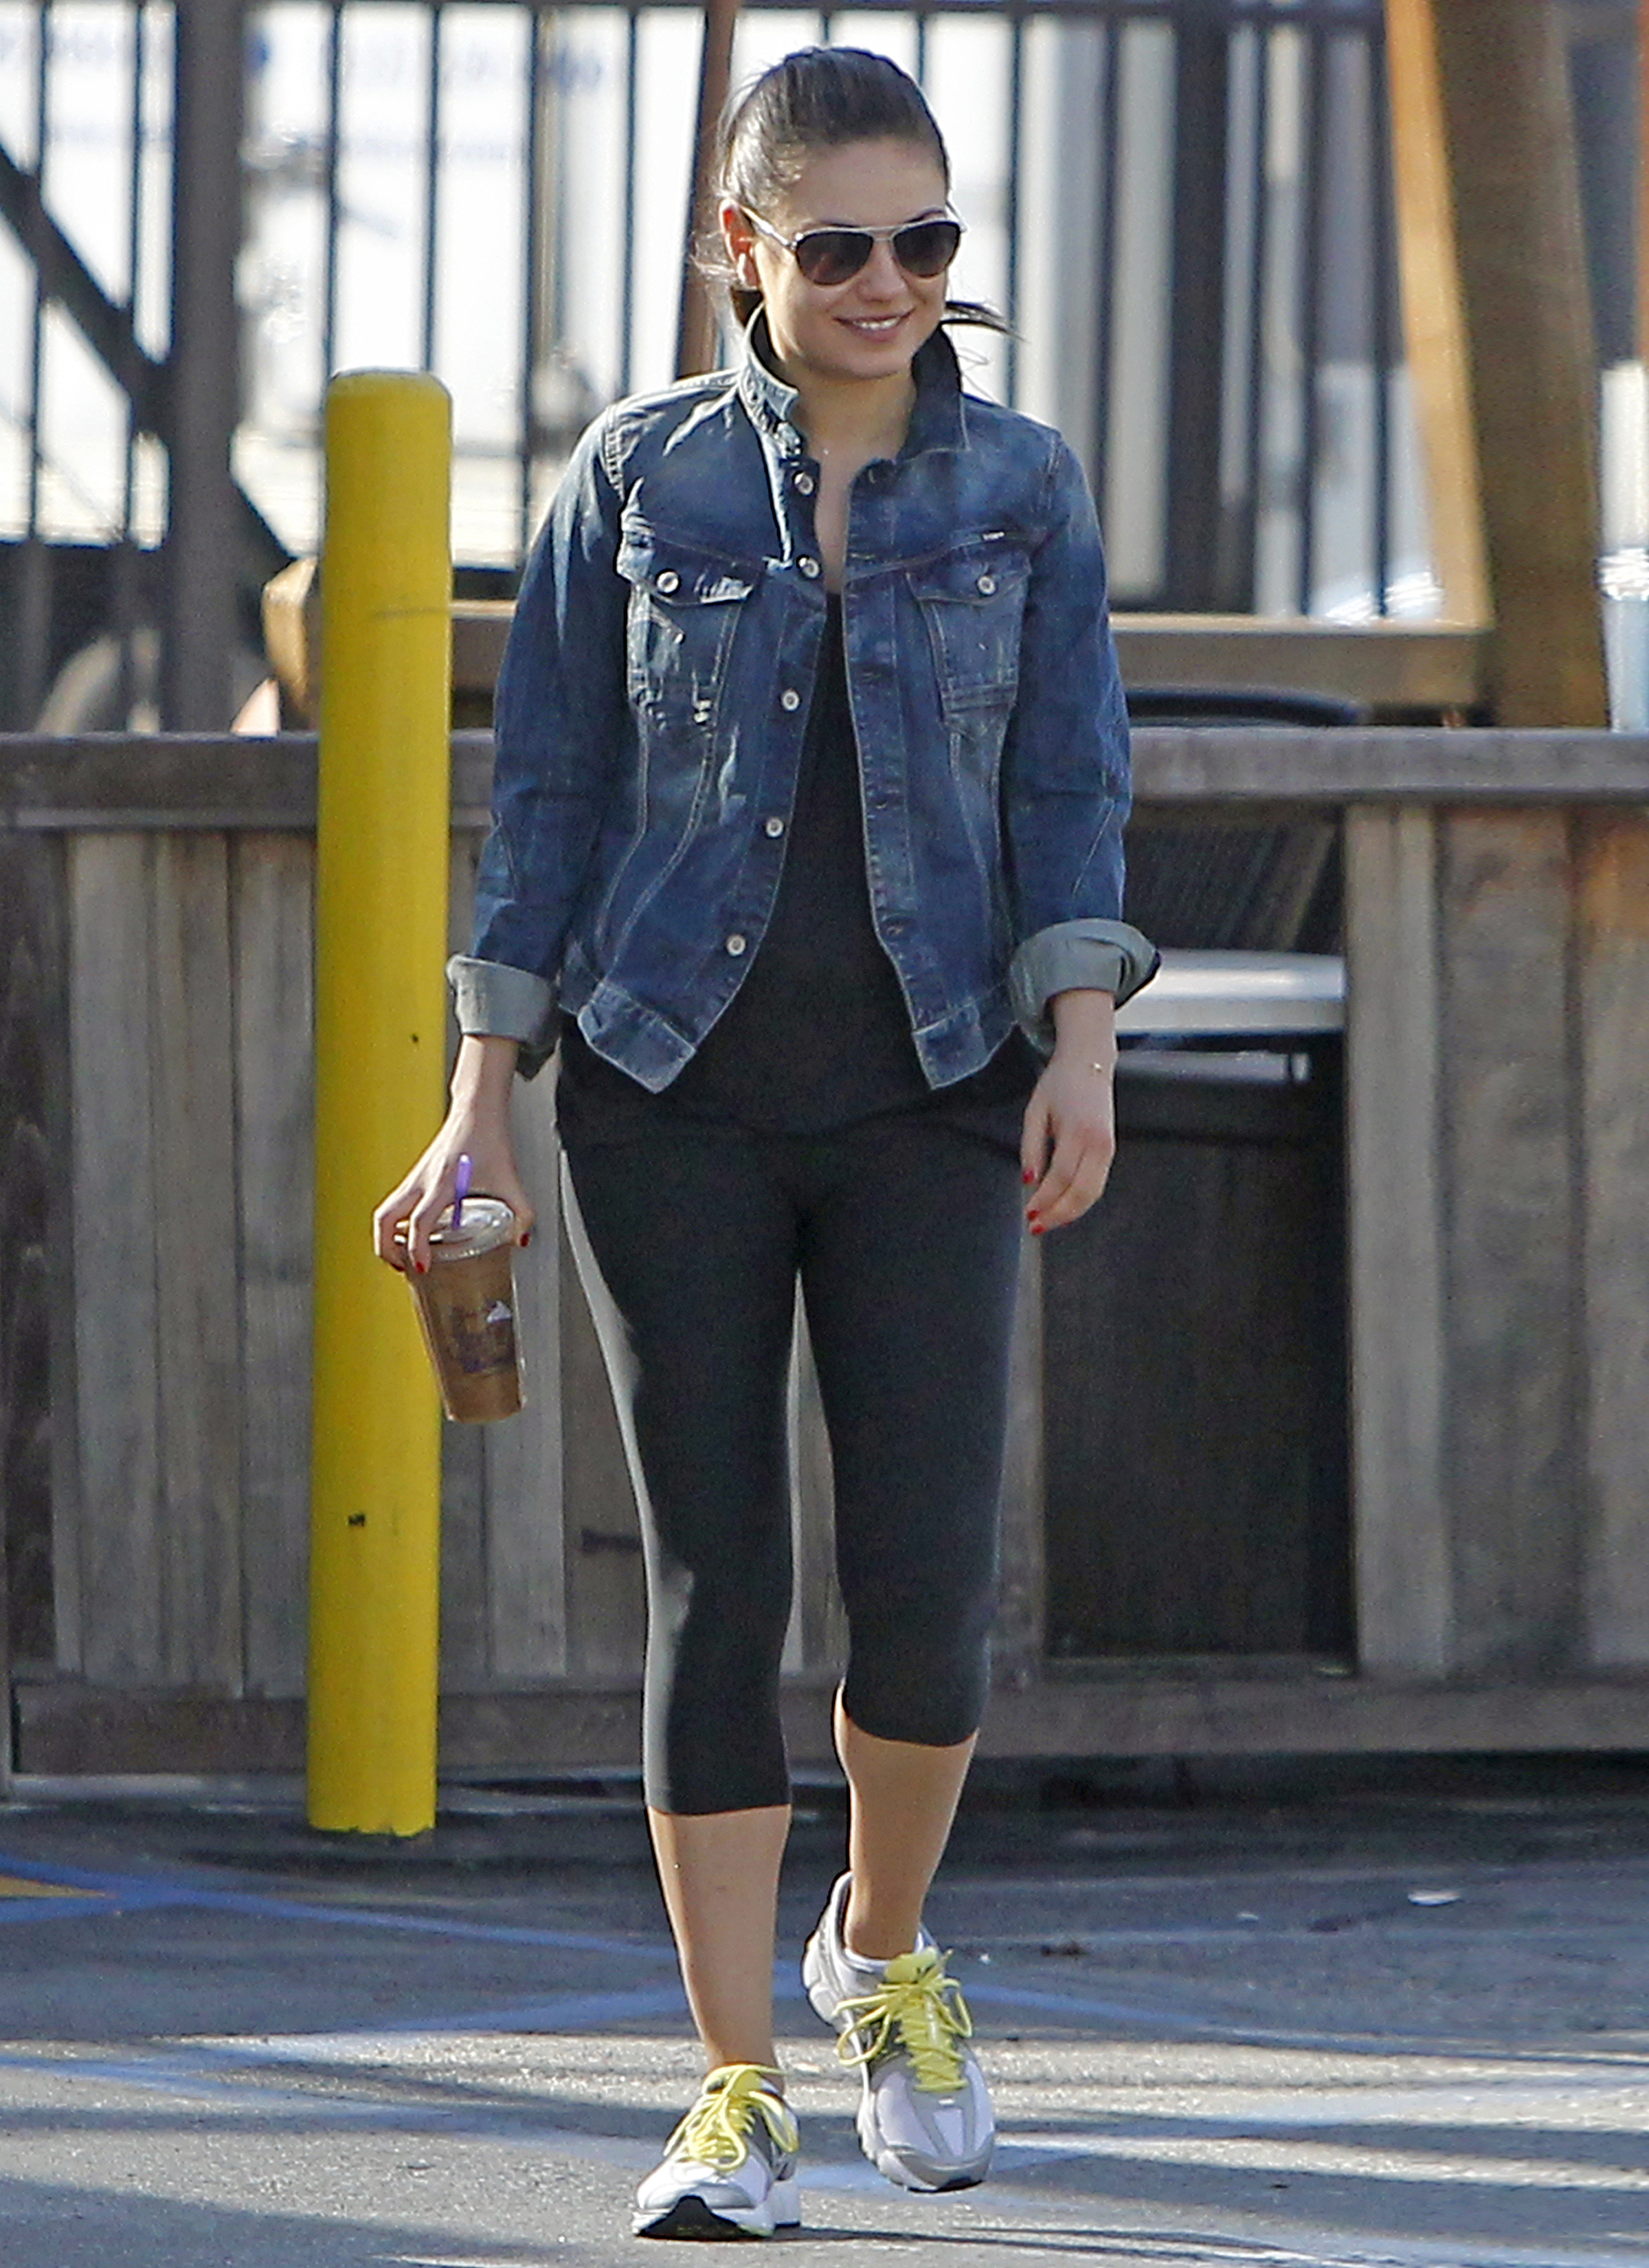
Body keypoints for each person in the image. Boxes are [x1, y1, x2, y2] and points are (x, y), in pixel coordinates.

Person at [374, 45, 1154, 2243]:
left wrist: (1082, 1041)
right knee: (715, 1584)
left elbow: (1073, 779)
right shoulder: (640, 482)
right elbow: (547, 803)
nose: (888, 281)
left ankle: (881, 1951)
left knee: (926, 1586)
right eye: (839, 246)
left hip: (937, 1086)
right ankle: (733, 2086)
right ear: (745, 247)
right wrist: (479, 1100)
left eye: (928, 240)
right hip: (665, 1091)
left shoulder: (1023, 487)